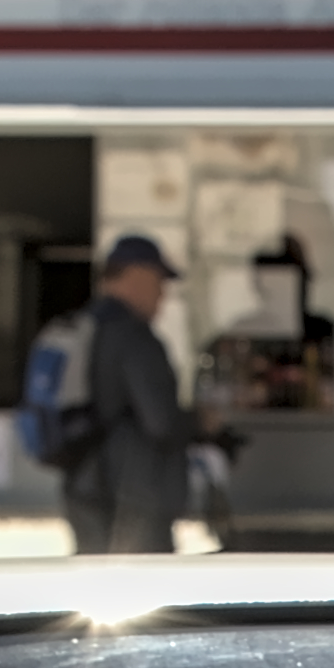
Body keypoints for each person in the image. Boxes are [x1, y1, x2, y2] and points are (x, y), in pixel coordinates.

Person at [53, 233, 199, 557]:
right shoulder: (134, 338)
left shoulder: (83, 327)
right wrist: (201, 423)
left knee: (94, 594)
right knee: (148, 601)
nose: (163, 295)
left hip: (83, 488)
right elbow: (161, 423)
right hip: (133, 498)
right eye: (159, 282)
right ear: (135, 276)